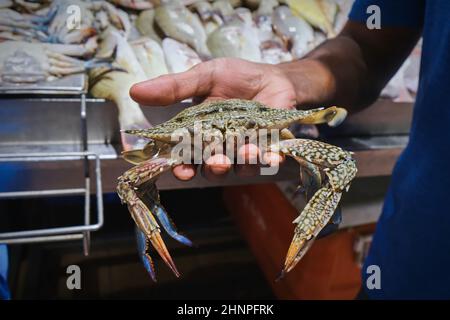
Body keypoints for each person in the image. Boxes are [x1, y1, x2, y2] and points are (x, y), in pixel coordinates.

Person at [130, 0, 450, 299]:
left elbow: (341, 166)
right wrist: (284, 78)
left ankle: (305, 235)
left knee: (340, 164)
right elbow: (365, 49)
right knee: (131, 183)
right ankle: (156, 239)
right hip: (406, 265)